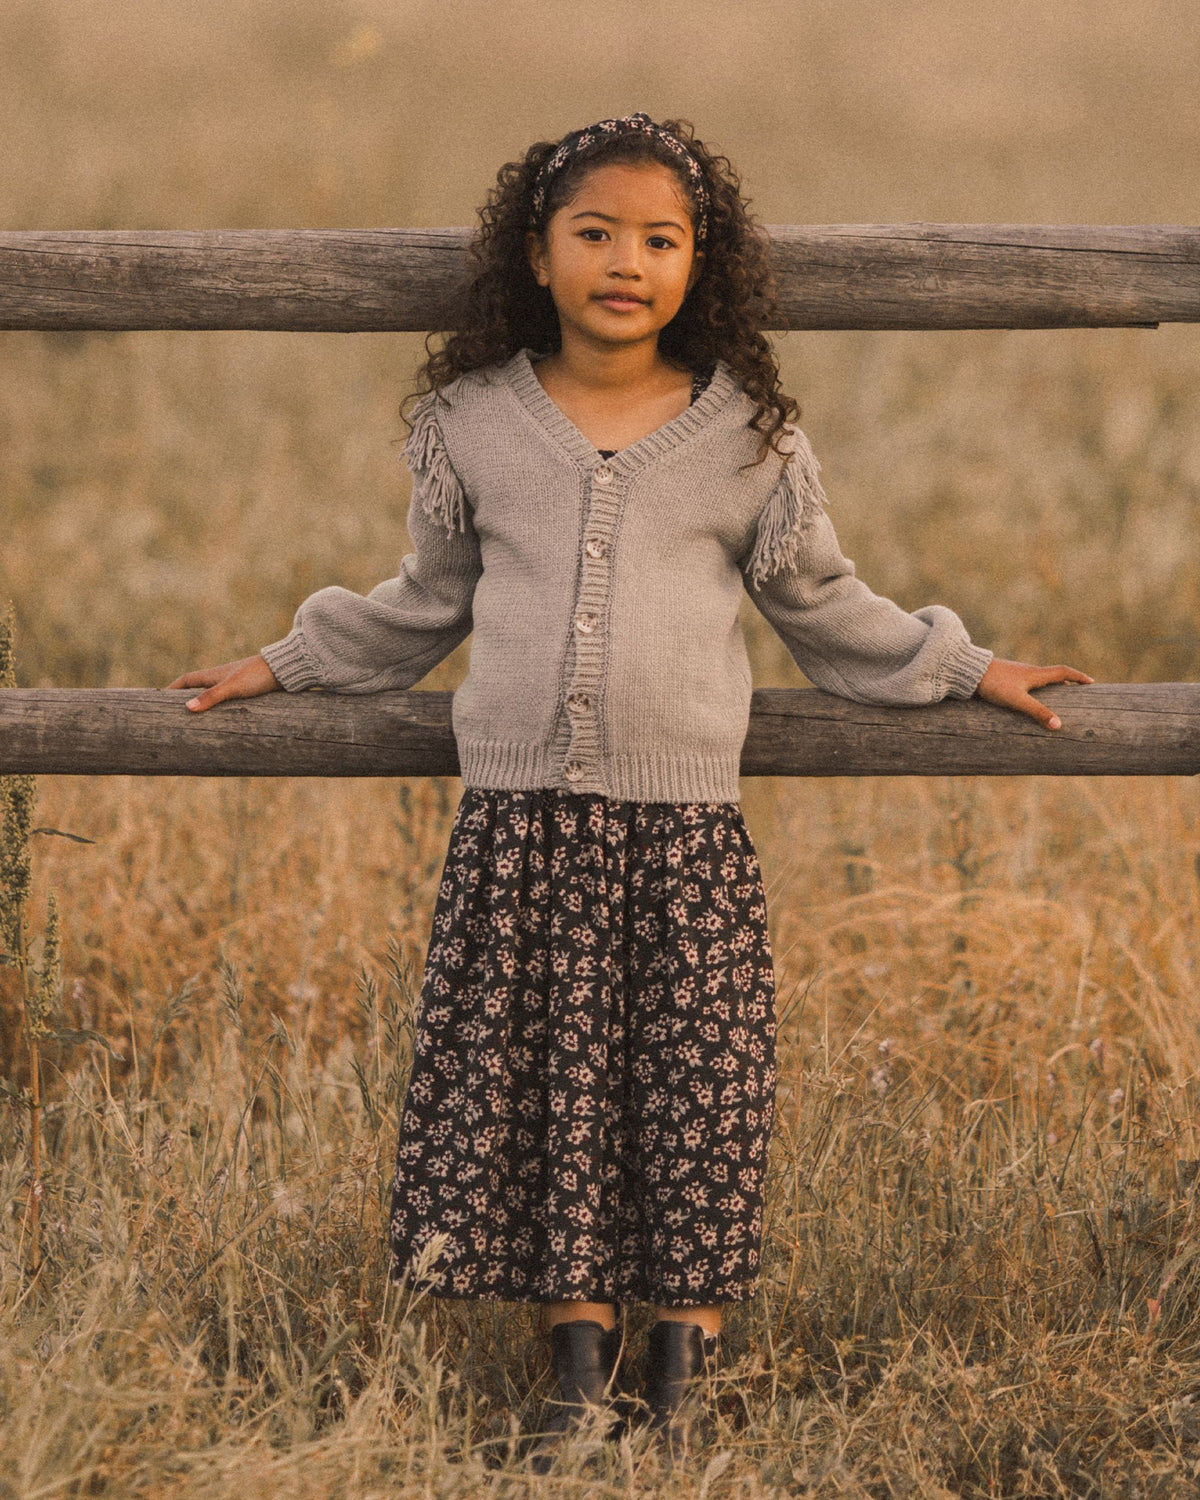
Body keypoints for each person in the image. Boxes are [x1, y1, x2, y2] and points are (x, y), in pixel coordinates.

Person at [168, 113, 1091, 1463]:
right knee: (546, 1092)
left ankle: (680, 1360)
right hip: (522, 831)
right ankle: (573, 1361)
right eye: (594, 233)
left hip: (683, 838)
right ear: (536, 256)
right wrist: (285, 661)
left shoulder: (747, 437)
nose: (626, 261)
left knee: (696, 1091)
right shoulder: (473, 421)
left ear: (698, 262)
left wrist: (964, 665)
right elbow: (423, 604)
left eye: (660, 239)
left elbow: (824, 608)